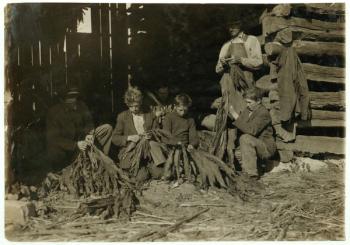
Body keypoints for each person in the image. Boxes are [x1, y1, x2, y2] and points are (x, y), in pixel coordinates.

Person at [210, 19, 263, 164]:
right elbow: (217, 69)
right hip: (228, 84)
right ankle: (229, 152)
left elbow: (258, 62)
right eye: (229, 26)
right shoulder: (226, 45)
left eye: (234, 26)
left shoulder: (251, 40)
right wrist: (222, 63)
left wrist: (240, 60)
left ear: (241, 26)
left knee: (246, 114)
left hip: (244, 84)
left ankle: (249, 154)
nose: (231, 29)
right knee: (230, 116)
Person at [46, 85, 113, 172]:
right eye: (70, 98)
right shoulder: (54, 113)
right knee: (55, 152)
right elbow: (53, 139)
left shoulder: (82, 106)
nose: (74, 100)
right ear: (62, 100)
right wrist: (75, 145)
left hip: (84, 141)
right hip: (69, 148)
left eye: (75, 97)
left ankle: (100, 161)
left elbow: (89, 123)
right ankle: (68, 168)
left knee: (107, 128)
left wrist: (89, 134)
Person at [111, 86, 166, 182]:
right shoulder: (122, 117)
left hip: (148, 151)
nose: (134, 109)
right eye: (131, 106)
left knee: (159, 174)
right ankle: (142, 168)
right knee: (140, 178)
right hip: (132, 152)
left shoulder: (149, 114)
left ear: (140, 103)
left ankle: (148, 165)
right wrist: (129, 137)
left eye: (136, 106)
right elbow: (115, 138)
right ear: (127, 105)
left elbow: (157, 131)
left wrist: (151, 135)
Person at [229, 87, 276, 179]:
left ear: (258, 101)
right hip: (254, 144)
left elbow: (252, 130)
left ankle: (251, 175)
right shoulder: (248, 110)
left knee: (245, 138)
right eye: (246, 102)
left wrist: (235, 115)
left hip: (265, 148)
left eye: (249, 102)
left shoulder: (263, 113)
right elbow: (241, 123)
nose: (247, 105)